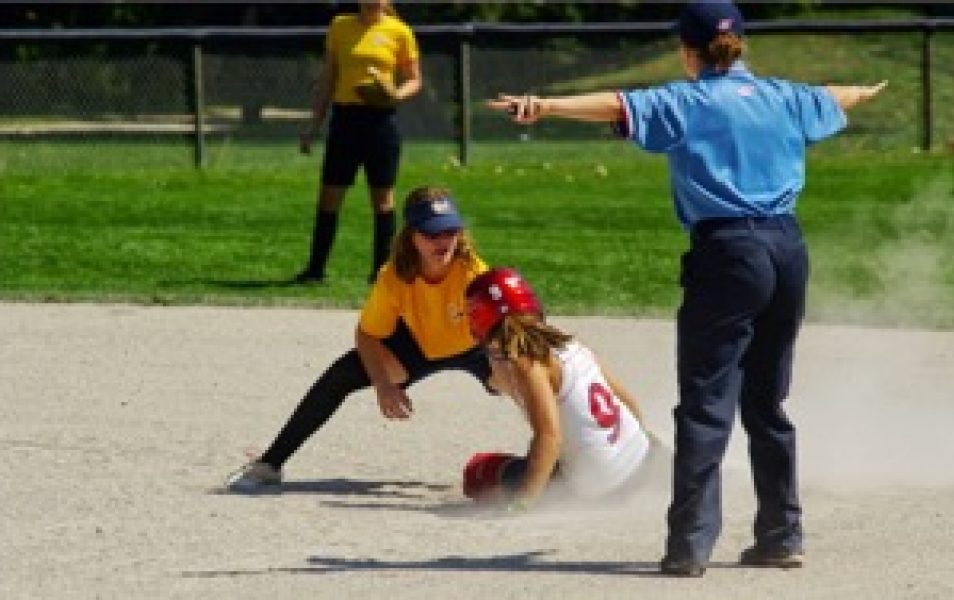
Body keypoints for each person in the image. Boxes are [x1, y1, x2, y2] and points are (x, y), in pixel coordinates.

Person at [487, 0, 886, 577]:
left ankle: (690, 546)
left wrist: (543, 105)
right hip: (787, 252)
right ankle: (781, 533)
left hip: (728, 255)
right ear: (740, 44)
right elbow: (833, 97)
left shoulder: (688, 100)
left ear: (687, 48)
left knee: (705, 406)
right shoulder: (784, 96)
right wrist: (863, 91)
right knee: (767, 403)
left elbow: (615, 105)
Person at [228, 185, 491, 490]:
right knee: (341, 375)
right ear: (412, 236)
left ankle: (553, 463)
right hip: (417, 346)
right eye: (432, 234)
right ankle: (269, 465)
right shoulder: (394, 275)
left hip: (474, 345)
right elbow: (367, 334)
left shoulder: (473, 271)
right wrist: (382, 385)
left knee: (529, 377)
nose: (443, 242)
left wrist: (513, 369)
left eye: (449, 231)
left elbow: (501, 327)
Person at [460, 267, 656, 511]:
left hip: (603, 487)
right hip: (646, 458)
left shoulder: (525, 362)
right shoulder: (567, 341)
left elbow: (549, 438)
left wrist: (524, 502)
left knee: (479, 471)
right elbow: (625, 400)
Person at [295, 0, 422, 284]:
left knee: (383, 199)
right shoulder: (341, 26)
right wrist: (314, 124)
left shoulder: (399, 31)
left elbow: (414, 80)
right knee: (329, 196)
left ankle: (381, 273)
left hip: (380, 121)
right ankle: (315, 270)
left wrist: (394, 94)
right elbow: (328, 78)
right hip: (345, 120)